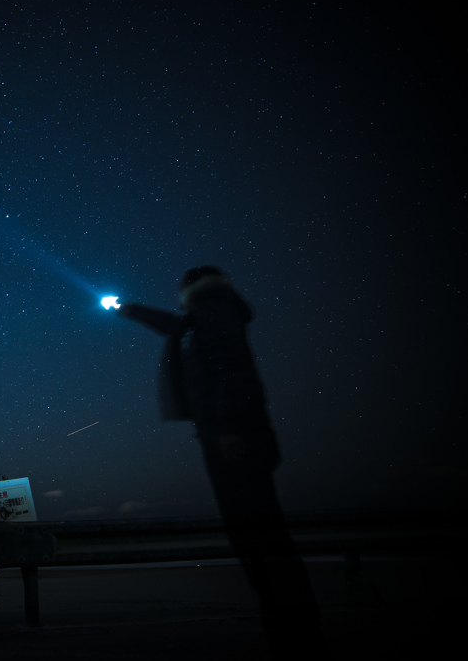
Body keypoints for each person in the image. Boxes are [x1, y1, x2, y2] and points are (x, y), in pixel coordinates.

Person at [117, 266, 328, 660]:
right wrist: (134, 311)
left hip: (236, 435)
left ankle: (299, 641)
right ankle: (291, 635)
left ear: (191, 287)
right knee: (257, 540)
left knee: (261, 539)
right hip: (227, 433)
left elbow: (228, 365)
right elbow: (177, 328)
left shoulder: (214, 310)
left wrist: (230, 427)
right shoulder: (203, 316)